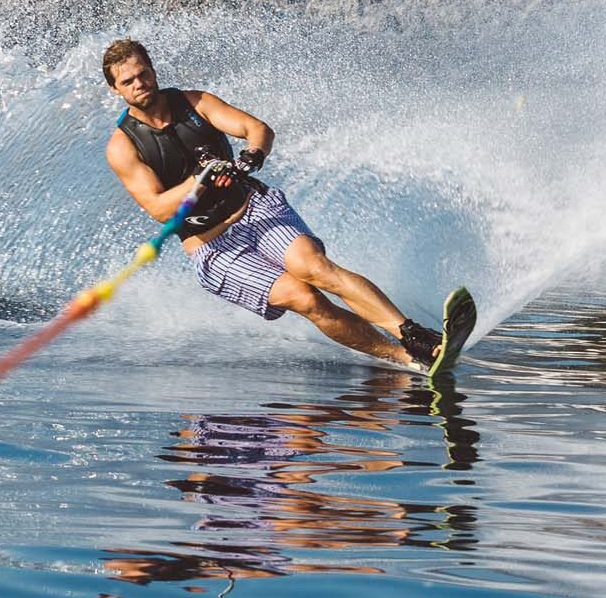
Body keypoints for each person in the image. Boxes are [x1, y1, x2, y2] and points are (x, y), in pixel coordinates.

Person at [99, 38, 446, 370]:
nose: (139, 83)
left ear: (154, 70)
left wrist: (251, 157)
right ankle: (403, 358)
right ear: (116, 90)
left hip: (254, 208)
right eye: (128, 81)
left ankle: (416, 336)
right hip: (211, 246)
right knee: (305, 298)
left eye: (143, 73)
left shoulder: (196, 102)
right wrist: (200, 179)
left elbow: (257, 129)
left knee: (314, 267)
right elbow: (160, 209)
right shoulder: (123, 147)